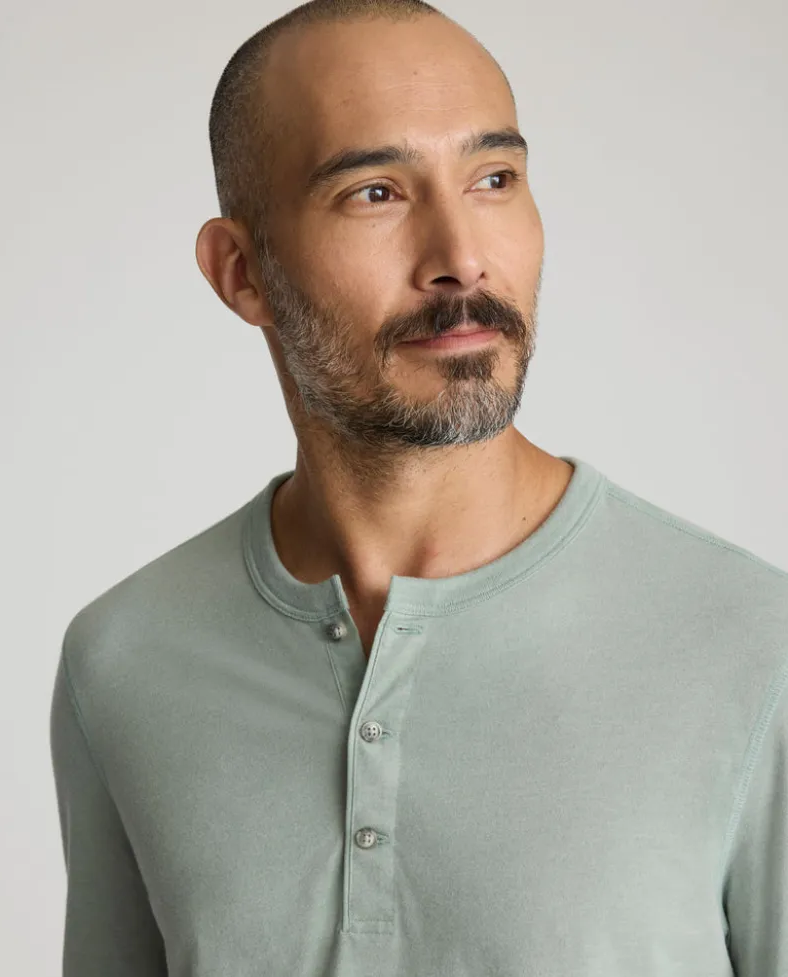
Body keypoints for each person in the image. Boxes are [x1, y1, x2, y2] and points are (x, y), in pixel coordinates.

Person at [48, 1, 788, 974]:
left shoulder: (753, 646)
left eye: (494, 179)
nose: (461, 258)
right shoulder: (125, 659)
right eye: (375, 192)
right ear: (241, 272)